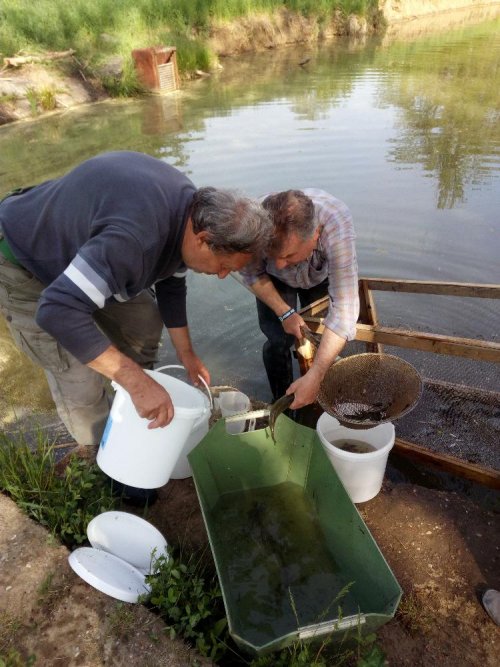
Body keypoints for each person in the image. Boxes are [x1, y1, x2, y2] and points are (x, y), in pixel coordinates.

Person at [0, 151, 272, 457]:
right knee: (79, 375)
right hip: (25, 259)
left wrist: (187, 355)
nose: (223, 276)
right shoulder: (135, 241)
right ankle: (100, 455)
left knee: (142, 322)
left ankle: (132, 402)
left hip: (94, 250)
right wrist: (136, 381)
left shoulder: (191, 212)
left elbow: (171, 282)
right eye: (224, 265)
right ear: (203, 239)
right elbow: (57, 310)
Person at [240, 188, 359, 410]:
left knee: (323, 337)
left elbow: (344, 311)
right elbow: (251, 273)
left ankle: (320, 394)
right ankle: (282, 405)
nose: (280, 263)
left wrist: (316, 373)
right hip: (274, 281)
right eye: (273, 255)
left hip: (317, 275)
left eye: (288, 255)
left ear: (316, 234)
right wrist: (284, 312)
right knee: (278, 341)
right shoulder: (253, 224)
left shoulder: (336, 224)